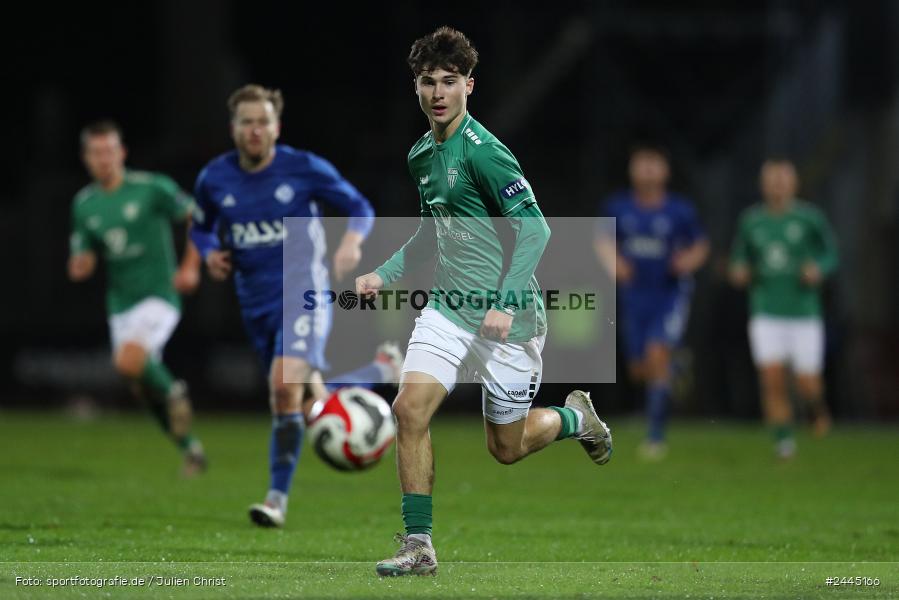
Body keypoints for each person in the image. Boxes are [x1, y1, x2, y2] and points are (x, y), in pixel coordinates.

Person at [355, 27, 612, 578]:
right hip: (448, 309)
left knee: (506, 448)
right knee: (408, 409)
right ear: (415, 87)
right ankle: (418, 545)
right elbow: (430, 234)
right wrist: (384, 272)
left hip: (509, 322)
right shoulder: (421, 155)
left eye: (450, 81)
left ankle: (575, 418)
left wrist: (505, 301)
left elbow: (536, 230)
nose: (439, 92)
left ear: (469, 85)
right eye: (428, 81)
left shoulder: (486, 153)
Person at [190, 84, 399, 528]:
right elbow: (201, 227)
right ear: (234, 128)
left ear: (276, 127)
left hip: (304, 292)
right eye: (247, 122)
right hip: (255, 303)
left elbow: (359, 206)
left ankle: (275, 500)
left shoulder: (302, 168)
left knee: (284, 386)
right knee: (305, 405)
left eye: (263, 122)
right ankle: (378, 371)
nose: (255, 130)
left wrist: (351, 242)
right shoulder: (214, 178)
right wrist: (209, 253)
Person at [68, 120, 206, 475]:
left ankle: (175, 391)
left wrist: (191, 266)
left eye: (109, 151)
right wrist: (81, 263)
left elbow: (197, 215)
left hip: (159, 294)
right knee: (141, 388)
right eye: (96, 153)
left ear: (122, 153)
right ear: (86, 158)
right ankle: (191, 449)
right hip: (120, 303)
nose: (104, 159)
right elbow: (84, 252)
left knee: (128, 362)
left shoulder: (151, 188)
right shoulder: (85, 204)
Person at [594, 145, 709, 459]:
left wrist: (687, 261)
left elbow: (700, 245)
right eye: (641, 164)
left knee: (656, 354)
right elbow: (602, 240)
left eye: (653, 164)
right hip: (634, 297)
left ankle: (655, 437)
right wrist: (615, 263)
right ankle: (677, 367)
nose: (647, 170)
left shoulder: (679, 210)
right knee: (639, 369)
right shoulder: (618, 206)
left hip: (669, 295)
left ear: (664, 171)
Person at [729, 158, 837, 459]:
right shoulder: (752, 221)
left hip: (803, 312)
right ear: (763, 185)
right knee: (772, 378)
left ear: (794, 183)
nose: (777, 185)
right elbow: (739, 257)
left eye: (783, 179)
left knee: (807, 383)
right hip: (766, 310)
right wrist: (739, 270)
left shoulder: (810, 218)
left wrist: (818, 268)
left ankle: (815, 409)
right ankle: (784, 442)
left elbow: (831, 254)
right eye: (772, 179)